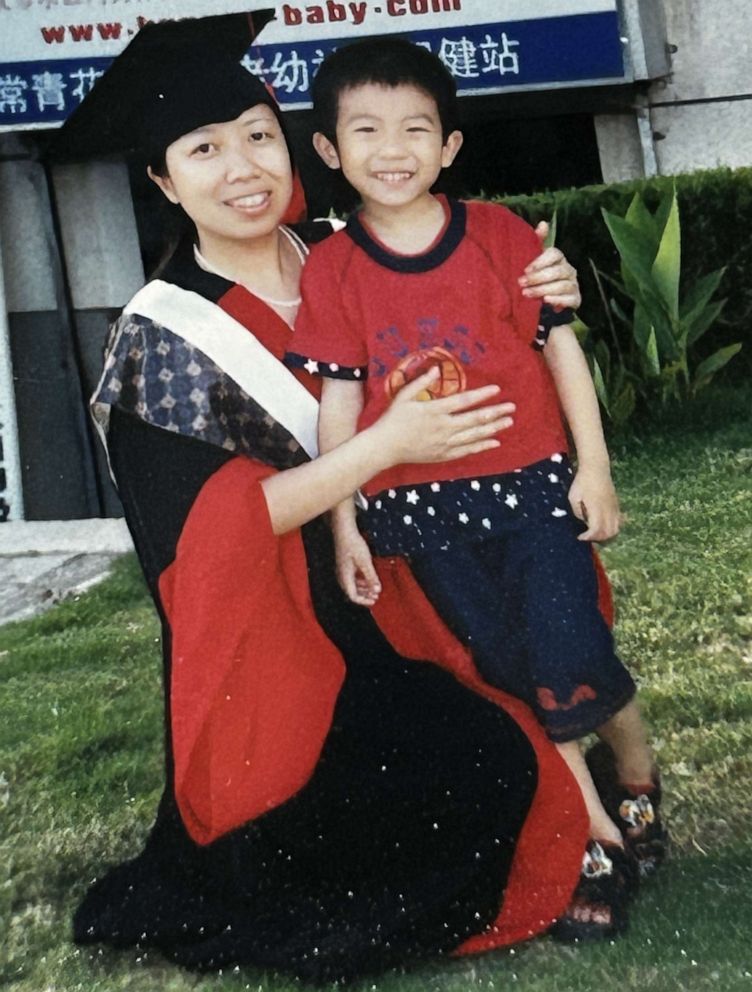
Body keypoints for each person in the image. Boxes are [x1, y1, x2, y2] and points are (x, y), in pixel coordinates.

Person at [56, 17, 607, 982]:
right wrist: (384, 448)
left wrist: (544, 284)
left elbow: (486, 302)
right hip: (296, 641)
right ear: (162, 182)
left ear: (293, 141)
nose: (244, 169)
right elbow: (214, 531)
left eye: (258, 135)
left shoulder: (341, 253)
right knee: (474, 771)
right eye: (204, 150)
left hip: (422, 564)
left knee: (514, 707)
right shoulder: (158, 344)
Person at [287, 37, 667, 907]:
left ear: (450, 146)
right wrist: (345, 520)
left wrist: (594, 468)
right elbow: (339, 407)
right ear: (330, 150)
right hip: (419, 516)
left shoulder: (497, 236)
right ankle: (592, 831)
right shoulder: (337, 270)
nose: (393, 151)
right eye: (368, 131)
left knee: (570, 642)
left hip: (533, 491)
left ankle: (636, 770)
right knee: (505, 665)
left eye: (418, 129)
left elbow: (561, 352)